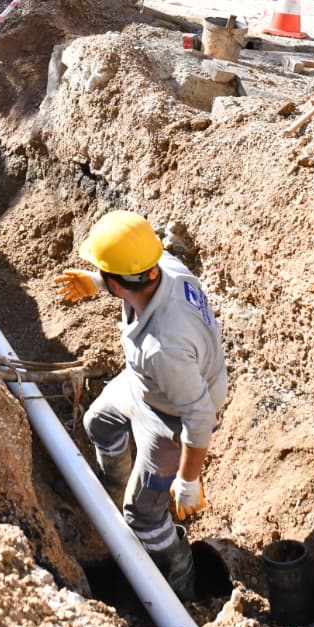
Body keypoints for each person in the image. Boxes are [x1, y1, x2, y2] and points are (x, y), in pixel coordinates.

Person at [54, 210, 227, 601]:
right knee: (100, 422)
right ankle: (112, 501)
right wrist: (95, 282)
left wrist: (187, 481)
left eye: (104, 274)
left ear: (120, 283)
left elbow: (199, 419)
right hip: (149, 384)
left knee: (144, 517)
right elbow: (133, 275)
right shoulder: (162, 265)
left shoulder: (163, 347)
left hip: (172, 418)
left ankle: (182, 592)